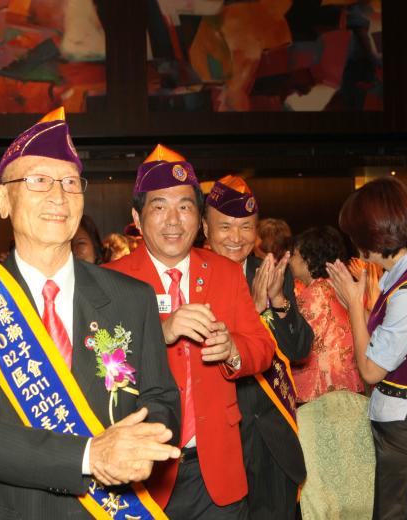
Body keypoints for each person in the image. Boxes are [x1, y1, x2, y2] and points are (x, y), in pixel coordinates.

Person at [0, 108, 181, 519]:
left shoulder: (132, 298)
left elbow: (161, 397)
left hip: (112, 506)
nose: (58, 196)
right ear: (2, 200)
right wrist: (88, 455)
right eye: (38, 181)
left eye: (70, 182)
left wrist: (141, 445)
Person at [106, 145, 275, 519]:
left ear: (199, 219)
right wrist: (160, 333)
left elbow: (262, 348)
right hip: (141, 473)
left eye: (185, 207)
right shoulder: (110, 281)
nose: (173, 220)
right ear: (137, 217)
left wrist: (232, 350)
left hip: (215, 471)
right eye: (159, 207)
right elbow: (97, 368)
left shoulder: (226, 273)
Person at [326, 177, 407, 520]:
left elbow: (370, 370)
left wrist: (354, 306)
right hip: (405, 420)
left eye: (355, 235)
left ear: (373, 235)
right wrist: (356, 303)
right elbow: (386, 335)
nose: (353, 244)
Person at [202, 175, 312, 519]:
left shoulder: (271, 272)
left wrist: (278, 301)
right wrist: (251, 310)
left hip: (271, 437)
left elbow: (300, 350)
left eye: (246, 227)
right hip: (219, 437)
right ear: (205, 228)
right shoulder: (193, 277)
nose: (237, 238)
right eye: (225, 227)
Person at [289, 226, 364, 402]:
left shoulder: (313, 295)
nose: (290, 260)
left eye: (294, 254)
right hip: (348, 383)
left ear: (308, 259)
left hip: (319, 389)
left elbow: (298, 345)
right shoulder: (340, 286)